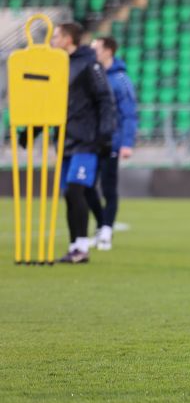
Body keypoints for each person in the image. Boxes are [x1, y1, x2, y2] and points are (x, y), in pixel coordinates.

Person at [49, 22, 117, 264]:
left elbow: (105, 99)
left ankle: (81, 247)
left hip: (86, 140)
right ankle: (75, 246)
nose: (52, 41)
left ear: (68, 39)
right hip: (65, 141)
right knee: (69, 194)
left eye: (56, 36)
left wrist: (105, 134)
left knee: (76, 190)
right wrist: (33, 131)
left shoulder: (90, 64)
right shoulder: (58, 65)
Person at [85, 36, 138, 251]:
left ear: (108, 51)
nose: (92, 52)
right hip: (90, 140)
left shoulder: (121, 79)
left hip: (112, 142)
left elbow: (129, 113)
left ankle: (106, 230)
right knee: (86, 186)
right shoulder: (91, 74)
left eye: (96, 48)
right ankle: (102, 224)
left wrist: (126, 142)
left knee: (108, 187)